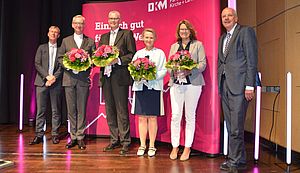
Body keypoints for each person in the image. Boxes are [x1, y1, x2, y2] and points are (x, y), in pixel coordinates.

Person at [218, 8, 258, 171]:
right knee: (231, 125)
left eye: (229, 15)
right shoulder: (222, 38)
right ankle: (239, 160)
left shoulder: (246, 32)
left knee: (235, 126)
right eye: (223, 16)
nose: (226, 18)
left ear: (236, 18)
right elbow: (223, 62)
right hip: (226, 86)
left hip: (240, 86)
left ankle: (234, 161)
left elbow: (252, 59)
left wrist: (249, 85)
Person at [99, 10, 136, 155]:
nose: (113, 21)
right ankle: (114, 140)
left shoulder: (126, 34)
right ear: (107, 20)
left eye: (115, 18)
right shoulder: (103, 37)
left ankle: (125, 141)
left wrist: (118, 60)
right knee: (110, 110)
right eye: (111, 18)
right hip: (106, 77)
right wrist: (101, 60)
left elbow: (132, 54)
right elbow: (98, 55)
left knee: (121, 110)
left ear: (120, 20)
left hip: (120, 77)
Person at [168, 20, 206, 161]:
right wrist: (173, 68)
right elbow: (168, 64)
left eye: (186, 29)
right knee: (176, 116)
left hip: (193, 85)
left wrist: (189, 69)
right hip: (176, 85)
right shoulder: (174, 46)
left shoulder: (198, 45)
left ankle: (187, 148)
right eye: (181, 29)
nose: (183, 31)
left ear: (190, 31)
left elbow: (203, 64)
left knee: (190, 116)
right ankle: (175, 146)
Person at [58, 15, 95, 150]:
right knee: (71, 110)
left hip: (83, 80)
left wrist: (86, 65)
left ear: (84, 25)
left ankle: (80, 137)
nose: (79, 25)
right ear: (72, 25)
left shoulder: (90, 41)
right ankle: (72, 136)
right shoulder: (66, 41)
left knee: (81, 109)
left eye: (81, 23)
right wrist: (69, 66)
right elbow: (60, 58)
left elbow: (94, 61)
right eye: (76, 23)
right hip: (69, 79)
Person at [130, 28, 167, 157]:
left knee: (152, 118)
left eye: (151, 37)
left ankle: (151, 145)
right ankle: (142, 145)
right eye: (146, 37)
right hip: (141, 87)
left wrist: (152, 76)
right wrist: (139, 76)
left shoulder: (160, 53)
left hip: (154, 88)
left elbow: (164, 70)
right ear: (142, 38)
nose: (148, 40)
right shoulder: (138, 53)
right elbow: (132, 69)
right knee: (141, 118)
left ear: (155, 39)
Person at [29, 26, 63, 145]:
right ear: (48, 34)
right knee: (41, 110)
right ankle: (38, 134)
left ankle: (55, 134)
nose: (53, 34)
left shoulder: (61, 50)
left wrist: (53, 78)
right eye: (51, 32)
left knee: (56, 110)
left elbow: (62, 67)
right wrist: (47, 77)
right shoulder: (41, 48)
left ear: (58, 36)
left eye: (56, 33)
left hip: (56, 83)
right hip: (41, 82)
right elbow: (37, 64)